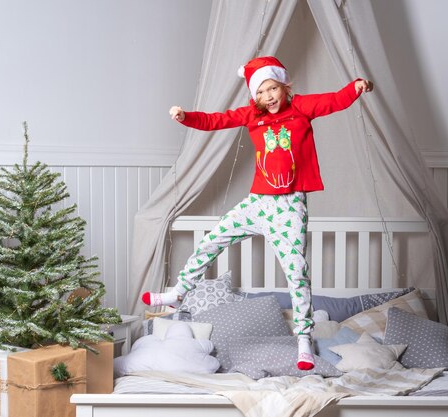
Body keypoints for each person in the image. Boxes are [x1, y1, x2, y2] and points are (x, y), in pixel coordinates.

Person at [142, 56, 373, 371]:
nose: (269, 97)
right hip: (258, 202)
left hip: (290, 204)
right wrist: (186, 117)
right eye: (262, 92)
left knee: (297, 271)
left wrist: (355, 88)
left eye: (273, 88)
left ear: (284, 86)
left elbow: (332, 101)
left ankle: (304, 341)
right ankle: (179, 291)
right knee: (212, 239)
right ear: (255, 96)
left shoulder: (302, 107)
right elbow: (216, 120)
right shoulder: (252, 115)